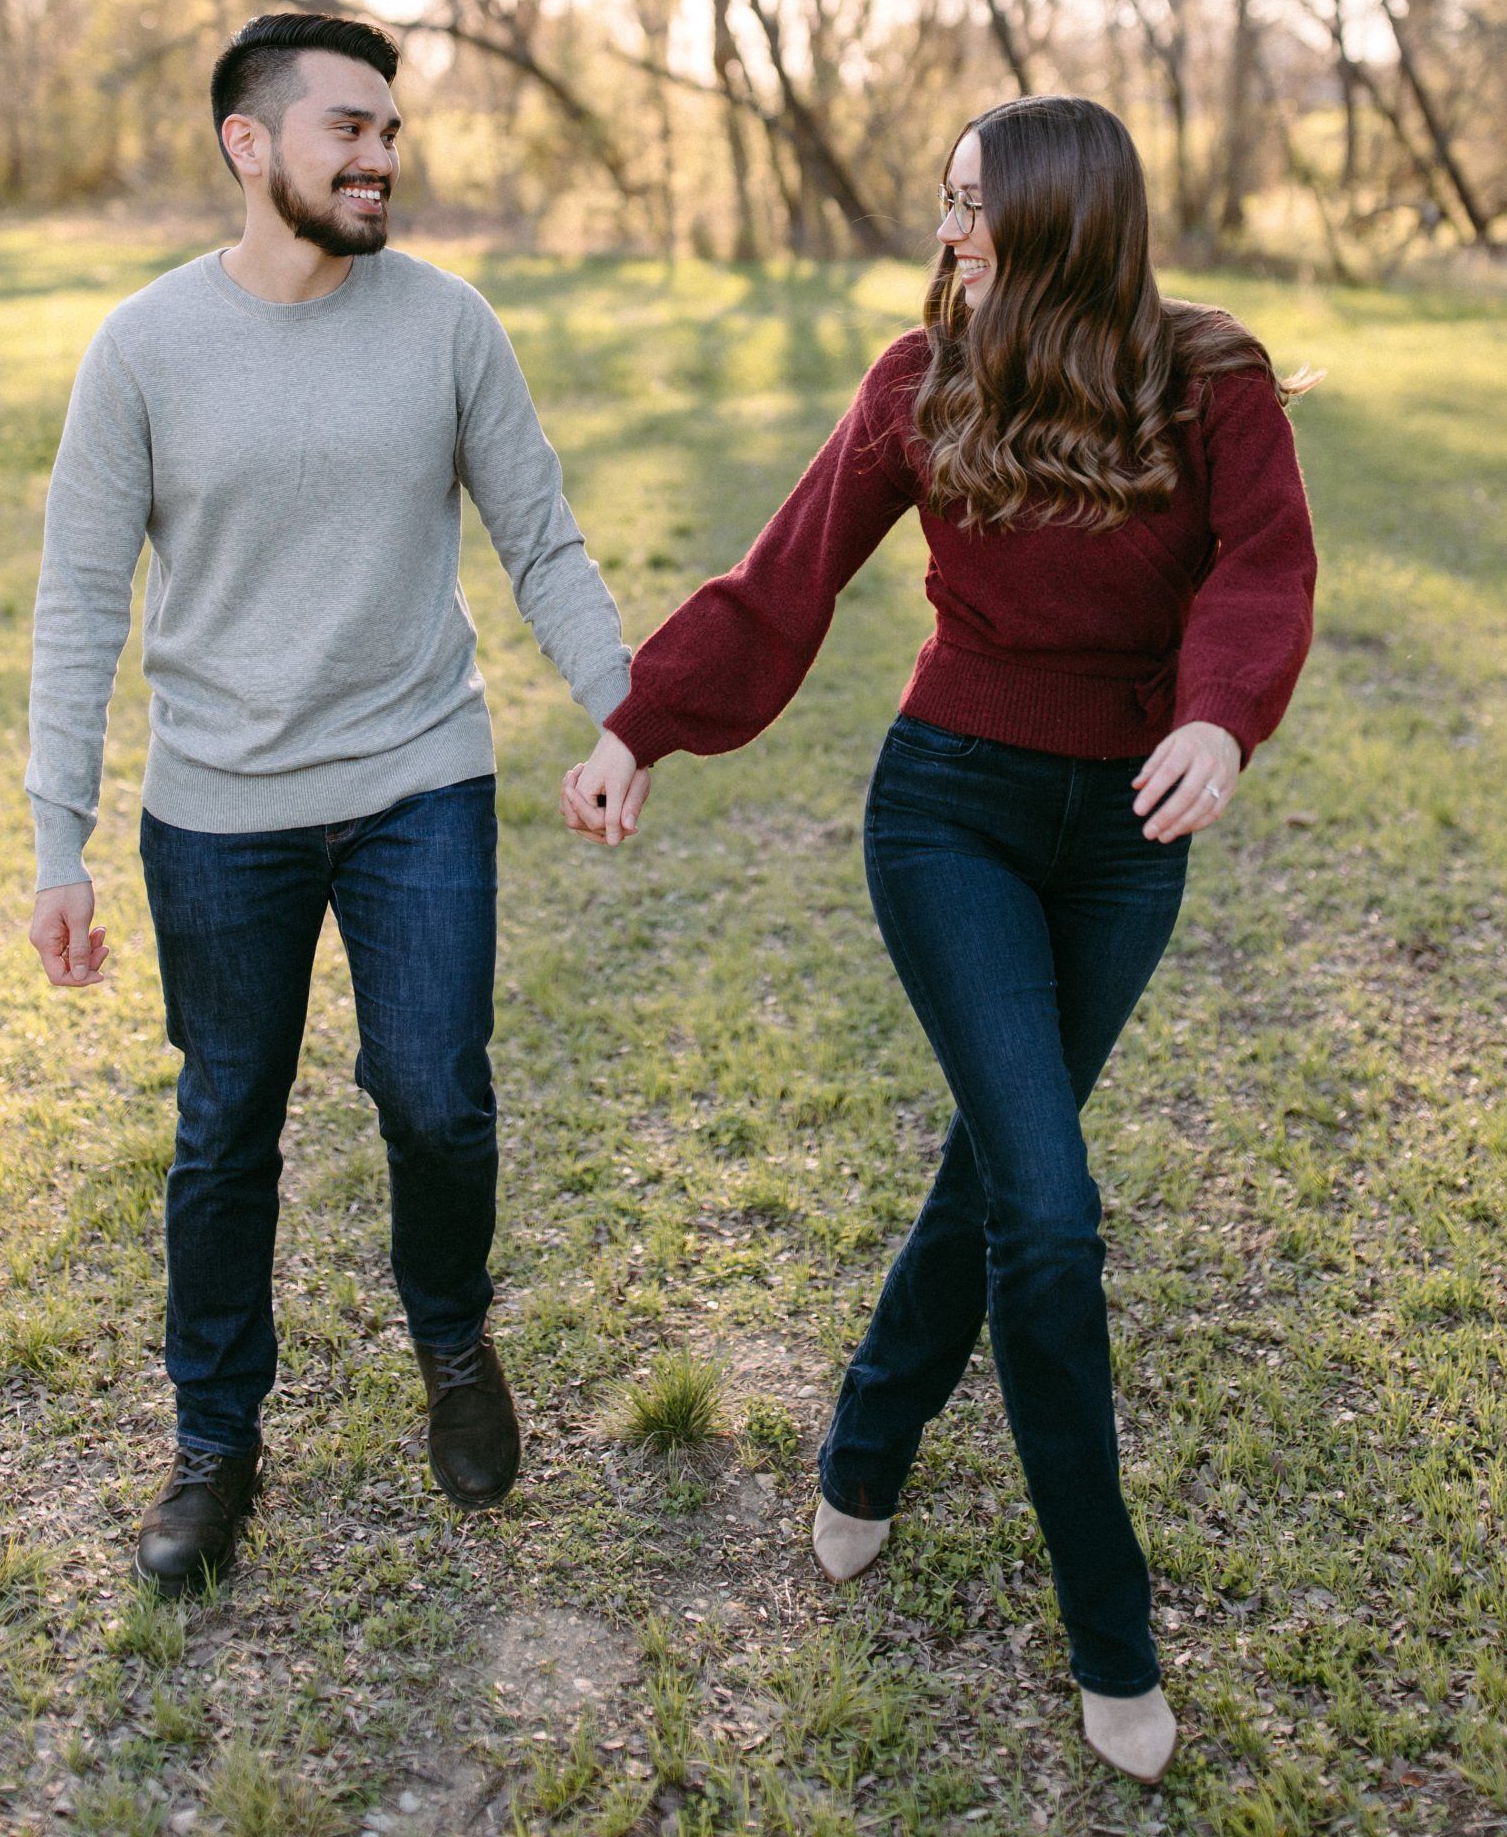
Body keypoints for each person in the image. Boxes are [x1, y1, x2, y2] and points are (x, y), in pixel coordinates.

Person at [562, 96, 1315, 1788]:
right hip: (950, 814)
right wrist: (639, 726)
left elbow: (1265, 568)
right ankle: (1110, 1627)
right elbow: (781, 584)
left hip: (1127, 836)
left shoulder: (1210, 381)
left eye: (977, 206)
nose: (949, 230)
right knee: (1048, 1210)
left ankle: (870, 1432)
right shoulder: (921, 382)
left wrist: (1221, 713)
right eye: (949, 200)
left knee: (999, 1164)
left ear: (1063, 222)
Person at [25, 11, 632, 1594]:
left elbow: (542, 538)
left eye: (389, 133)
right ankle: (214, 1442)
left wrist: (628, 714)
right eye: (347, 130)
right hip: (217, 807)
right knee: (226, 1124)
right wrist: (55, 840)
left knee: (436, 1096)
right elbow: (80, 601)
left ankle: (453, 1341)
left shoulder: (448, 325)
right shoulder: (144, 348)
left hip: (418, 774)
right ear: (250, 143)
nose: (380, 159)